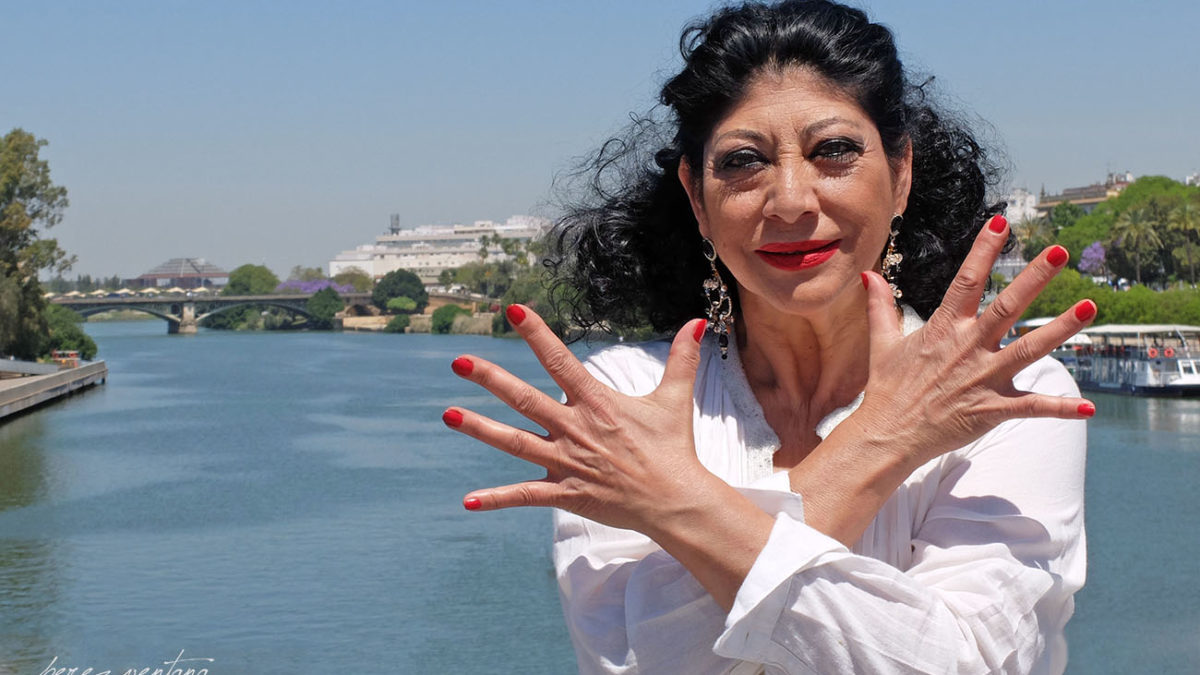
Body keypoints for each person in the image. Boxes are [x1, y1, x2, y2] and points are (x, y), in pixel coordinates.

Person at [441, 1, 1091, 672]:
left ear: (901, 174)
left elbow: (965, 661)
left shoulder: (1005, 393)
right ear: (696, 198)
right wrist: (887, 438)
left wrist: (679, 507)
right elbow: (638, 662)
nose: (790, 200)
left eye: (833, 151)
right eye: (744, 161)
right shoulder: (628, 395)